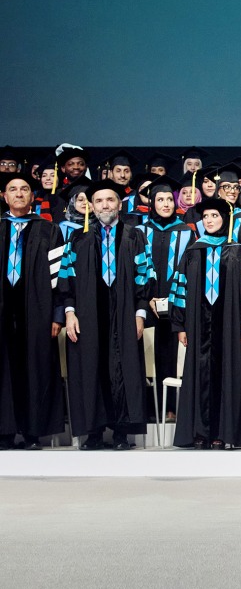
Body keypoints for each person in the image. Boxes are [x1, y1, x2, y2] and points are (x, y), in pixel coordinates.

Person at [59, 179, 154, 449]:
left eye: (110, 200)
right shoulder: (78, 238)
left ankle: (122, 432)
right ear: (90, 205)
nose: (104, 205)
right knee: (91, 368)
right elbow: (67, 278)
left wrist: (139, 313)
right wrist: (70, 313)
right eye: (99, 201)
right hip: (89, 313)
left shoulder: (135, 235)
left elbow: (143, 277)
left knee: (124, 369)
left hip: (124, 312)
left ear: (120, 204)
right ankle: (94, 433)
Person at [168, 197, 241, 449]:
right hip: (197, 326)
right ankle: (200, 430)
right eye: (205, 217)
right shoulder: (193, 251)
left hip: (231, 325)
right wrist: (180, 325)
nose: (209, 220)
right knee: (200, 373)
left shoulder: (239, 251)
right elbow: (180, 289)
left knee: (228, 373)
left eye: (215, 216)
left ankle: (223, 432)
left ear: (224, 219)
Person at [0, 172, 66, 449]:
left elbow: (60, 277)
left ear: (32, 196)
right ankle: (3, 430)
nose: (18, 193)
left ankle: (31, 431)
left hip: (37, 312)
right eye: (12, 189)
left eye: (24, 189)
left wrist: (57, 314)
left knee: (35, 367)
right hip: (3, 310)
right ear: (4, 196)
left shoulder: (49, 230)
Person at [135, 176, 194, 421]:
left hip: (176, 304)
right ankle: (147, 408)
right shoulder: (139, 232)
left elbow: (187, 269)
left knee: (170, 354)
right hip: (145, 306)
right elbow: (137, 266)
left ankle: (171, 408)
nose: (166, 204)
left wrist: (172, 298)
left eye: (169, 199)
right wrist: (147, 297)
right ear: (152, 203)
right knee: (145, 356)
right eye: (160, 199)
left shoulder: (186, 232)